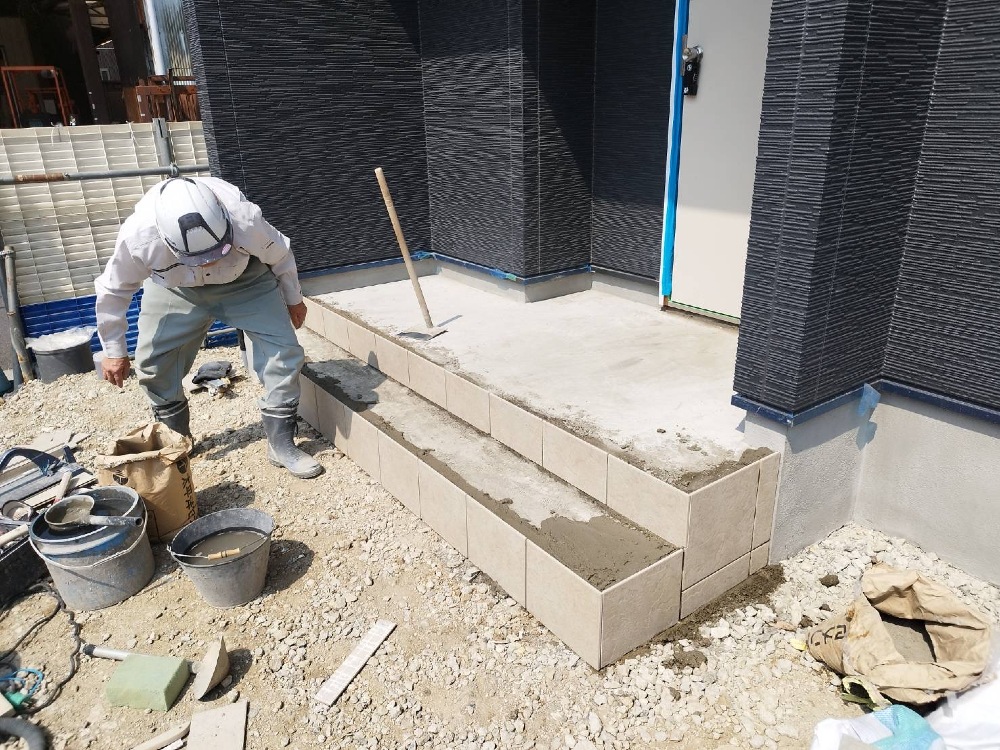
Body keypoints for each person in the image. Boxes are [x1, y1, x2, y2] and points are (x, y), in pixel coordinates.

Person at [94, 176, 322, 479]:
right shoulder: (139, 237)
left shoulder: (245, 218)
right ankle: (177, 443)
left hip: (245, 281)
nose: (206, 264)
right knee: (154, 365)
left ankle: (282, 445)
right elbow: (113, 290)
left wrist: (294, 299)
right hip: (174, 289)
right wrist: (113, 350)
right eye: (197, 259)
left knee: (284, 351)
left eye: (215, 252)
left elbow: (280, 254)